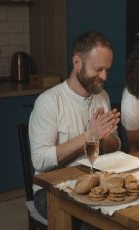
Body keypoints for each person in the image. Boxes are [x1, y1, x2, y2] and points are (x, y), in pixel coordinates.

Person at [29, 31, 121, 218]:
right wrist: (89, 136)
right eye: (98, 69)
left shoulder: (102, 96)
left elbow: (115, 147)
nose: (104, 76)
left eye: (107, 69)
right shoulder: (49, 101)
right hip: (50, 190)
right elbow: (39, 160)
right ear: (77, 62)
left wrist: (104, 138)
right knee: (94, 223)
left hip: (95, 182)